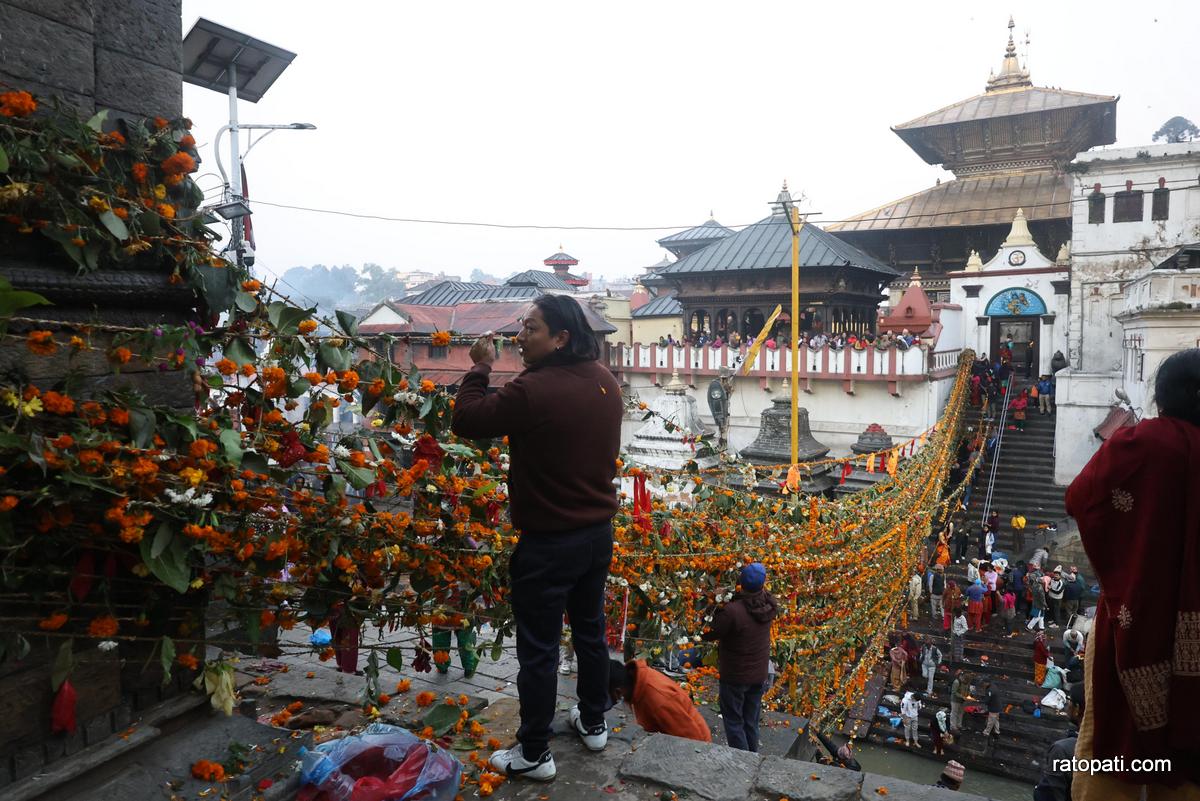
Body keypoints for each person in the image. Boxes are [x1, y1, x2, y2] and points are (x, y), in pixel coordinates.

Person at [452, 295, 623, 781]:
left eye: (530, 328)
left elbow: (466, 420)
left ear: (560, 338)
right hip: (596, 534)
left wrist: (481, 369)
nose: (520, 336)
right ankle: (593, 720)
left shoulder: (534, 389)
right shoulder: (605, 381)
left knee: (540, 648)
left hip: (549, 541)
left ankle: (533, 751)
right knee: (590, 630)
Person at [1065, 349, 1200, 798]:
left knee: (1109, 741)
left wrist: (1127, 558)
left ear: (1165, 397)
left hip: (1135, 617)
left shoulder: (1145, 443)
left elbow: (1082, 498)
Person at [702, 562, 779, 753]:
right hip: (758, 674)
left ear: (740, 582)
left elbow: (707, 632)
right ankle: (753, 758)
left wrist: (713, 602)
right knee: (750, 721)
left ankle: (742, 763)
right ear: (762, 585)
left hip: (736, 675)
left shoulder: (732, 611)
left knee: (734, 720)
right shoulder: (769, 603)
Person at [607, 659, 711, 742]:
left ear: (618, 692)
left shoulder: (659, 700)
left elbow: (690, 739)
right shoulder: (635, 679)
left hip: (696, 741)